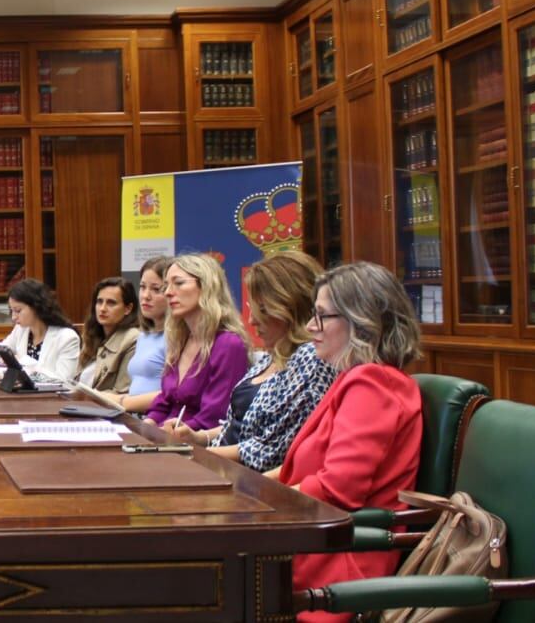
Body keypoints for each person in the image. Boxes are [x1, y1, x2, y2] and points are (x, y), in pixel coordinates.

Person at [279, 262, 423, 621]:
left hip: (338, 561)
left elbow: (337, 489)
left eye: (322, 316)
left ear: (363, 321)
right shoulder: (357, 378)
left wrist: (262, 505)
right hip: (312, 542)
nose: (311, 327)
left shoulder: (372, 383)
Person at [165, 252, 336, 472]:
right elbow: (238, 427)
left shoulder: (312, 361)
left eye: (262, 310)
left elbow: (270, 451)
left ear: (291, 308)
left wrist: (193, 453)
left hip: (249, 484)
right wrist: (198, 438)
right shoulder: (271, 357)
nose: (253, 319)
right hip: (221, 468)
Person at [145, 253, 250, 430]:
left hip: (197, 445)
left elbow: (214, 418)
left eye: (178, 283)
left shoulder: (228, 344)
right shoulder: (180, 339)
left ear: (206, 287)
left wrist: (165, 435)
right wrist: (146, 425)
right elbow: (164, 401)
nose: (168, 293)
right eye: (166, 286)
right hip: (165, 438)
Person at [0, 278, 80, 382]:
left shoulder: (67, 338)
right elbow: (4, 348)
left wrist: (22, 362)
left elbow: (64, 380)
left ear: (36, 306)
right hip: (23, 394)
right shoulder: (22, 330)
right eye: (12, 311)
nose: (13, 317)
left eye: (18, 310)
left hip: (52, 398)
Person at [114, 256, 172, 411]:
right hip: (133, 414)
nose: (146, 296)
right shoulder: (143, 336)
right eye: (142, 287)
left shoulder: (175, 338)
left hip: (156, 418)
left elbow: (172, 394)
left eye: (156, 289)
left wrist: (120, 401)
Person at [77, 276, 140, 392]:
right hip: (80, 405)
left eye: (111, 303)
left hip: (106, 408)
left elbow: (121, 391)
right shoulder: (92, 335)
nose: (102, 308)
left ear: (128, 308)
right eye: (99, 301)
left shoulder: (132, 339)